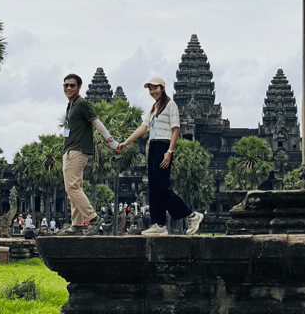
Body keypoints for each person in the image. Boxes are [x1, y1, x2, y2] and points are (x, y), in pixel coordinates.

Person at [117, 77, 203, 235]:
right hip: (153, 146)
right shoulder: (153, 108)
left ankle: (191, 215)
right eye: (150, 89)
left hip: (164, 146)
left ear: (162, 88)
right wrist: (125, 143)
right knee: (154, 188)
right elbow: (143, 127)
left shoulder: (171, 105)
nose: (152, 92)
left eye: (155, 88)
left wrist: (169, 151)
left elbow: (176, 129)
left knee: (162, 187)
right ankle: (159, 224)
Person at [60, 73, 118, 235]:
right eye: (66, 85)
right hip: (70, 150)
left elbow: (96, 122)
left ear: (79, 87)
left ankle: (92, 218)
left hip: (77, 150)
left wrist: (112, 142)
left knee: (71, 187)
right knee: (75, 187)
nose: (68, 88)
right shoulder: (71, 106)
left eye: (72, 85)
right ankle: (77, 224)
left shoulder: (82, 104)